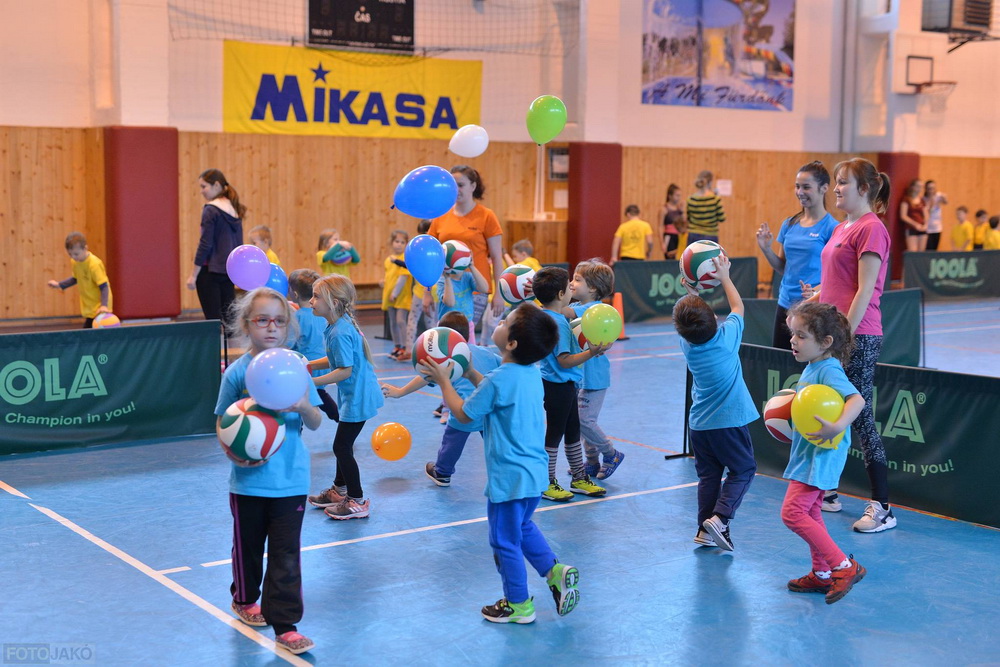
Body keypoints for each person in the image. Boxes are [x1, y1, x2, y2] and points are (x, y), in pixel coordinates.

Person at [419, 302, 581, 624]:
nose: (500, 322)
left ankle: (519, 605)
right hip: (534, 472)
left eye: (505, 321)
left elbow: (464, 413)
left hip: (509, 477)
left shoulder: (497, 381)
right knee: (522, 526)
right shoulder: (529, 372)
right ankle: (554, 571)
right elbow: (495, 390)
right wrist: (470, 372)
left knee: (503, 540)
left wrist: (445, 381)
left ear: (512, 343)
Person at [215, 287, 323, 655]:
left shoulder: (296, 369)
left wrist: (304, 406)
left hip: (291, 481)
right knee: (247, 548)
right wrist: (234, 455)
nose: (272, 327)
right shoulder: (237, 373)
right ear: (247, 325)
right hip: (248, 483)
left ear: (288, 326)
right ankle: (245, 598)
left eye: (279, 321)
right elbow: (222, 422)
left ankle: (286, 625)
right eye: (262, 320)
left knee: (286, 555)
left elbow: (316, 421)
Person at [803, 157, 895, 531]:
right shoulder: (843, 227)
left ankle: (882, 507)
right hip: (832, 334)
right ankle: (826, 492)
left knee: (861, 418)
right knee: (828, 409)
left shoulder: (872, 229)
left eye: (843, 182)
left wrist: (845, 339)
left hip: (858, 335)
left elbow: (865, 289)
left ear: (865, 189)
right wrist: (816, 298)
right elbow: (839, 282)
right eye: (837, 181)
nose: (837, 188)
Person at [781, 301, 867, 605]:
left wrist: (837, 425)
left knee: (792, 513)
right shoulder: (813, 366)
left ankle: (843, 566)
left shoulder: (828, 369)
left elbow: (857, 400)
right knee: (812, 511)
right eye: (793, 334)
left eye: (801, 336)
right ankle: (821, 574)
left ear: (826, 342)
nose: (793, 341)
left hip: (820, 454)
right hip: (811, 452)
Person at [672, 255, 759, 551]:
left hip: (699, 426)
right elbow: (738, 307)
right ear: (714, 321)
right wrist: (724, 277)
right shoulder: (726, 339)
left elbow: (688, 319)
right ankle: (720, 519)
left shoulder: (687, 344)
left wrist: (691, 292)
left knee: (709, 477)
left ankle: (703, 530)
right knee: (744, 469)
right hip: (728, 423)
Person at [381, 311, 501, 486]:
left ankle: (442, 472)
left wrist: (400, 392)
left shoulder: (444, 360)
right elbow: (504, 366)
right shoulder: (486, 352)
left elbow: (425, 378)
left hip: (463, 410)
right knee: (496, 444)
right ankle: (507, 470)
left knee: (452, 440)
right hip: (488, 409)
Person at [306, 275, 384, 520]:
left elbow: (344, 370)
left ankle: (357, 500)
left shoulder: (340, 331)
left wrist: (310, 382)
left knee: (340, 447)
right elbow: (335, 360)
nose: (311, 301)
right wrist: (308, 366)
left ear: (334, 302)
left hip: (359, 397)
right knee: (344, 445)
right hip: (354, 394)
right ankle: (339, 490)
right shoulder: (336, 325)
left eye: (316, 296)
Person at [532, 267, 608, 502]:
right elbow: (564, 361)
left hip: (565, 385)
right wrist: (591, 352)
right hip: (558, 385)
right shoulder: (558, 323)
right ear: (560, 294)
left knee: (573, 431)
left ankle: (578, 477)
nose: (571, 289)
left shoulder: (547, 316)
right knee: (555, 434)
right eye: (568, 286)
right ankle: (546, 482)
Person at [755, 161, 839, 349]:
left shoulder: (832, 228)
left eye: (806, 187)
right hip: (785, 304)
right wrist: (766, 248)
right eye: (797, 186)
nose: (800, 192)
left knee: (807, 362)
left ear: (824, 188)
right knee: (780, 359)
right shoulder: (789, 224)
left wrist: (816, 291)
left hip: (813, 308)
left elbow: (837, 276)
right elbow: (782, 267)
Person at [427, 165, 506, 341]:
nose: (456, 190)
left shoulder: (486, 216)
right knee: (445, 338)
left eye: (461, 185)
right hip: (446, 285)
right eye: (452, 185)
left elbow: (496, 257)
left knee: (462, 336)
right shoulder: (441, 215)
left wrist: (499, 294)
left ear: (473, 186)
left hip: (474, 288)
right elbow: (431, 257)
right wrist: (427, 292)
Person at [568, 259, 625, 480]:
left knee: (585, 420)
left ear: (592, 288)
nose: (571, 283)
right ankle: (591, 462)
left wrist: (543, 300)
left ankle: (611, 454)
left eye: (577, 280)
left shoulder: (593, 309)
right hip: (578, 376)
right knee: (579, 421)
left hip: (594, 378)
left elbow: (563, 313)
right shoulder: (576, 307)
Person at [187, 169, 245, 326]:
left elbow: (205, 244)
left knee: (213, 322)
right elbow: (238, 245)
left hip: (210, 272)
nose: (201, 191)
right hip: (227, 271)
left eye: (204, 186)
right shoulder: (234, 210)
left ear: (217, 185)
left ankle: (216, 344)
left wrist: (193, 275)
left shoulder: (211, 210)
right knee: (230, 322)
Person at [287, 269, 339, 422]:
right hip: (324, 362)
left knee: (308, 396)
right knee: (318, 393)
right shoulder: (321, 314)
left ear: (295, 294)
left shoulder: (297, 318)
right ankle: (338, 417)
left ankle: (338, 417)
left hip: (308, 365)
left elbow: (289, 344)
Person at [46, 232, 113, 328]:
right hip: (90, 307)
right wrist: (59, 284)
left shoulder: (94, 265)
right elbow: (76, 278)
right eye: (70, 254)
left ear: (85, 248)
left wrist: (104, 306)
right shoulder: (75, 262)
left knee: (92, 332)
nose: (73, 257)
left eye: (76, 254)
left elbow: (104, 286)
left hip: (101, 307)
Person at [435, 258, 489, 345]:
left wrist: (472, 266)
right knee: (446, 350)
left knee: (469, 350)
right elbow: (450, 303)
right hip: (447, 326)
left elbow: (485, 288)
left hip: (466, 325)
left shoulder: (468, 277)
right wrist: (447, 278)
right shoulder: (442, 281)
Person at [405, 220, 438, 356]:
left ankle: (409, 349)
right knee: (431, 322)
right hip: (429, 291)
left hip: (425, 291)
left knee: (414, 320)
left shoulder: (422, 248)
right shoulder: (436, 247)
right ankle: (433, 350)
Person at [382, 230, 412, 361]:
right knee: (393, 322)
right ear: (392, 242)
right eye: (397, 241)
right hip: (389, 296)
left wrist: (395, 293)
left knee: (400, 320)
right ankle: (397, 346)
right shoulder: (388, 260)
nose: (399, 244)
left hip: (402, 296)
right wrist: (383, 282)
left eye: (402, 242)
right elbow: (390, 276)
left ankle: (405, 347)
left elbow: (403, 278)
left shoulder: (405, 259)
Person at [686, 170, 726, 244]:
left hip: (693, 235)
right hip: (710, 236)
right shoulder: (715, 199)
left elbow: (688, 218)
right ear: (710, 182)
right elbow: (722, 218)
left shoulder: (691, 199)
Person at [899, 179, 927, 252]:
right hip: (911, 228)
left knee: (921, 253)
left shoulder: (922, 200)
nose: (920, 189)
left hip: (922, 228)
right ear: (912, 187)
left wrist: (925, 225)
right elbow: (903, 216)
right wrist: (915, 224)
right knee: (913, 252)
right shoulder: (906, 199)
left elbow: (926, 215)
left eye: (921, 187)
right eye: (918, 186)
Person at [660, 184, 686, 260]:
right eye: (677, 195)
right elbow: (660, 226)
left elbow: (684, 223)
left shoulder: (679, 209)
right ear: (670, 196)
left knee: (680, 258)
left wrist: (682, 211)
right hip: (669, 237)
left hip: (679, 237)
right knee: (670, 257)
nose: (679, 198)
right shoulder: (664, 209)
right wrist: (662, 243)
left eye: (680, 196)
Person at [923, 180, 948, 251]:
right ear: (926, 189)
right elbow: (927, 214)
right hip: (928, 228)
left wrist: (944, 197)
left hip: (937, 228)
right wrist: (932, 204)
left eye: (933, 188)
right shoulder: (924, 199)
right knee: (928, 249)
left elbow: (946, 202)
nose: (931, 190)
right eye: (929, 188)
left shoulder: (938, 196)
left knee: (934, 249)